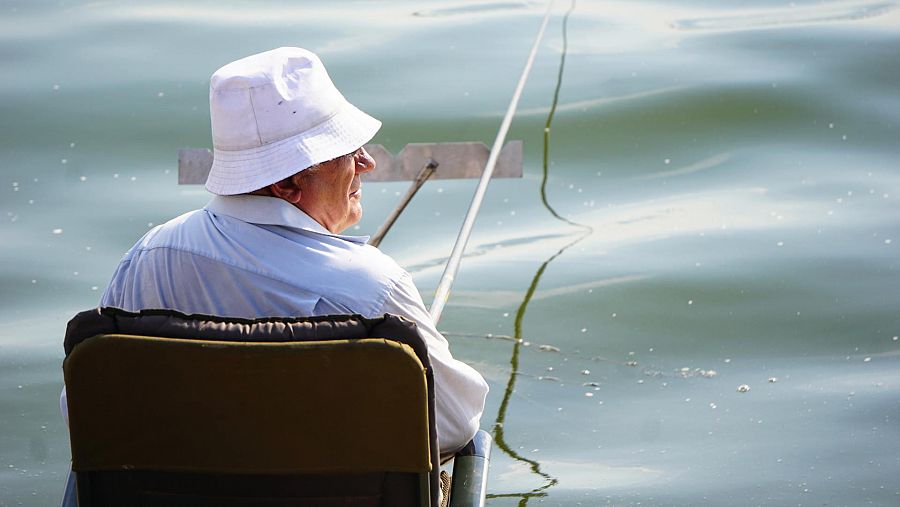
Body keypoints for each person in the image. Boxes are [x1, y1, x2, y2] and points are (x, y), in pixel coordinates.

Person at [62, 47, 488, 455]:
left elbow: (82, 410)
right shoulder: (371, 290)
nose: (367, 163)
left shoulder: (147, 258)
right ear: (286, 185)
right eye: (346, 151)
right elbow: (452, 426)